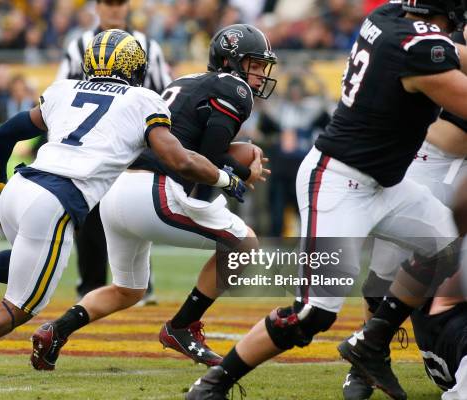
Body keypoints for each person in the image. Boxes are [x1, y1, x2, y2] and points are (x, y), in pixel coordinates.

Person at [0, 29, 247, 382]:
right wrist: (226, 179)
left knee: (32, 261)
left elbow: (5, 132)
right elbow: (180, 160)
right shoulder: (143, 99)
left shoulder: (65, 89)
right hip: (54, 200)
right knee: (17, 308)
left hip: (21, 187)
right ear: (135, 67)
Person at [186, 1, 467, 399]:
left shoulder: (386, 18)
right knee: (313, 313)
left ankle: (371, 344)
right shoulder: (420, 51)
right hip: (338, 181)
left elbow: (450, 52)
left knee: (445, 246)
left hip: (385, 183)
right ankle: (214, 384)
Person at [29, 23, 276, 370]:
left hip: (115, 194)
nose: (261, 74)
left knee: (127, 290)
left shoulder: (185, 82)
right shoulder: (234, 88)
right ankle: (182, 326)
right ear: (230, 61)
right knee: (245, 245)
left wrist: (235, 156)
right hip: (153, 191)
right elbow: (207, 156)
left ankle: (55, 330)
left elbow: (193, 144)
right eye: (255, 64)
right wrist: (239, 173)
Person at [343, 29, 467, 400]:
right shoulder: (442, 45)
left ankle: (439, 350)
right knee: (386, 267)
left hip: (462, 170)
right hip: (426, 162)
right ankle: (364, 361)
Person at [58, 0, 172, 302]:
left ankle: (140, 285)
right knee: (90, 216)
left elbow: (167, 95)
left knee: (134, 214)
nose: (115, 10)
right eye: (109, 3)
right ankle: (91, 287)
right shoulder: (78, 45)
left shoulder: (149, 46)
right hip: (92, 147)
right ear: (98, 7)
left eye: (120, 3)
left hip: (135, 146)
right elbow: (61, 94)